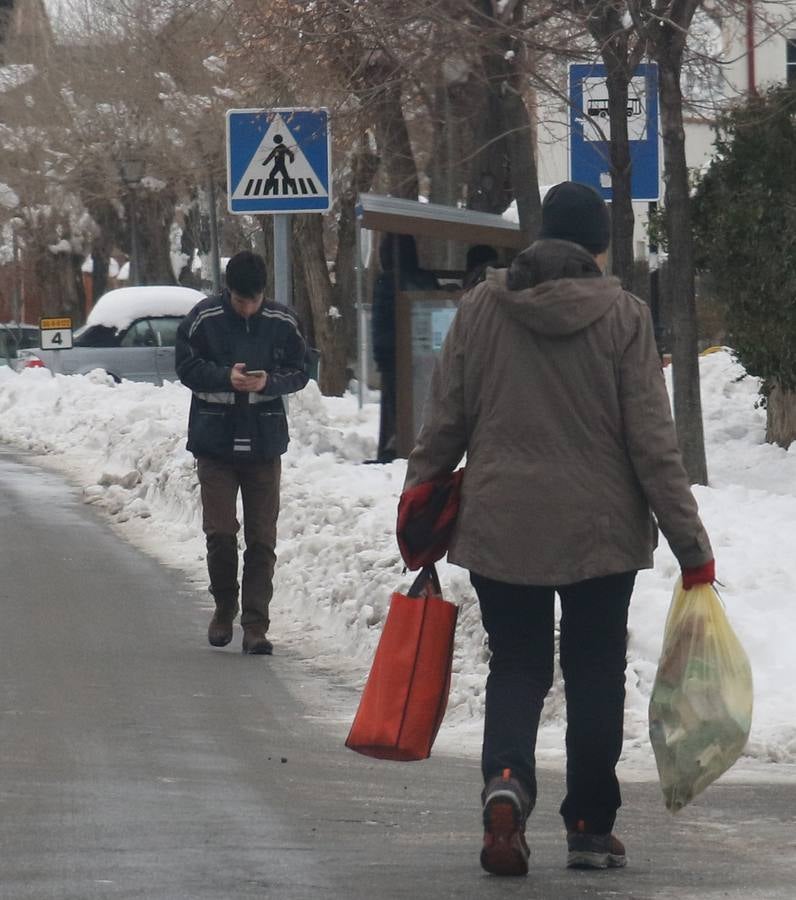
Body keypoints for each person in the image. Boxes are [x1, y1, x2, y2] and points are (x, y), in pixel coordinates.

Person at [402, 181, 715, 875]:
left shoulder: (483, 308)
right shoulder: (625, 318)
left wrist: (418, 502)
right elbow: (653, 446)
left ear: (539, 241)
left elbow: (445, 418)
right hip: (599, 534)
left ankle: (507, 782)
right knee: (596, 673)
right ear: (599, 248)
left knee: (517, 666)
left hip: (501, 523)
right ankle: (589, 826)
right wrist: (692, 546)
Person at [176, 251, 309, 655]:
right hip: (214, 443)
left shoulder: (283, 322)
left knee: (262, 539)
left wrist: (269, 381)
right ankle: (223, 606)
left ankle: (256, 624)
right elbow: (185, 367)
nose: (247, 307)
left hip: (264, 442)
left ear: (264, 294)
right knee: (220, 533)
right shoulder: (202, 319)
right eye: (240, 301)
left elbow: (301, 371)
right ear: (228, 292)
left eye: (253, 301)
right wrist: (226, 378)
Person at [371, 234, 440, 463]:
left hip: (393, 355)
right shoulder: (426, 279)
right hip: (427, 353)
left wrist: (381, 357)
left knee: (393, 406)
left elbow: (380, 323)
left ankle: (392, 449)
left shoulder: (385, 281)